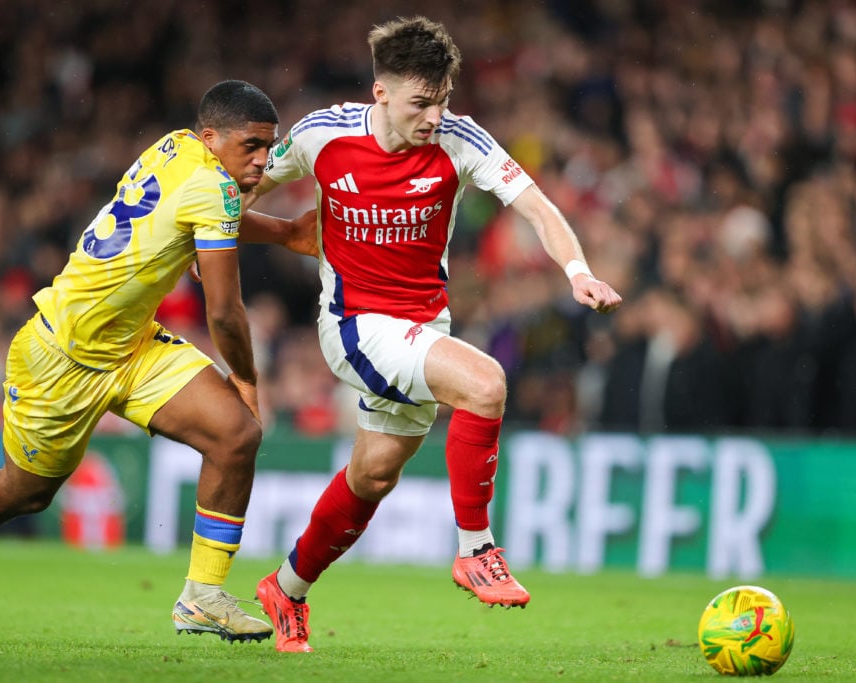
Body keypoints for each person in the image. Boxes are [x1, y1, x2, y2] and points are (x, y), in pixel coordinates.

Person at [245, 17, 623, 653]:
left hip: (423, 326)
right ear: (381, 94)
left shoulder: (459, 139)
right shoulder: (320, 138)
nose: (433, 116)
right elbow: (244, 182)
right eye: (421, 103)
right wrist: (206, 236)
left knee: (373, 476)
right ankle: (476, 550)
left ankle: (286, 588)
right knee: (485, 383)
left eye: (443, 99)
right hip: (355, 327)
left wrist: (577, 271)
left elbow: (537, 206)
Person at [0, 80, 282, 644]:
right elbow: (223, 311)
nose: (263, 160)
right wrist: (246, 378)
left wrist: (290, 233)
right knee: (26, 492)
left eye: (269, 147)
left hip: (131, 347)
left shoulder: (176, 147)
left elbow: (203, 213)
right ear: (212, 137)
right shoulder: (213, 187)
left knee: (236, 436)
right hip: (59, 356)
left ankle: (203, 597)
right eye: (252, 146)